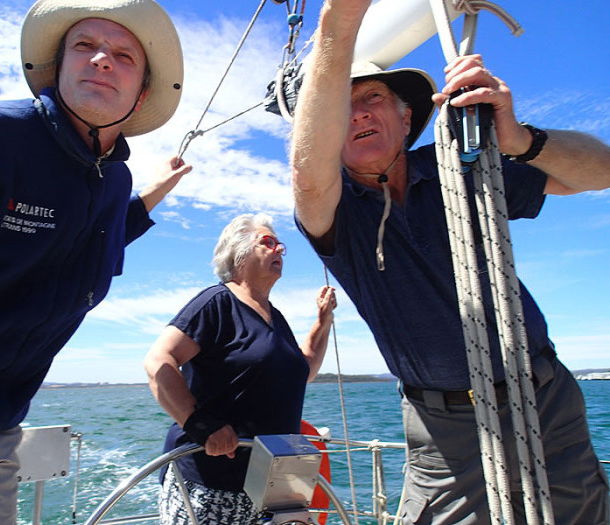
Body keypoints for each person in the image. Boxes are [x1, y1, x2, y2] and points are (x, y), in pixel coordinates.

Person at [290, 0, 610, 523]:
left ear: (406, 115)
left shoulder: (465, 165)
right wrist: (339, 20)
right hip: (444, 435)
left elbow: (600, 171)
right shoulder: (336, 213)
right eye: (342, 108)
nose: (359, 114)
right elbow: (308, 176)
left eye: (372, 98)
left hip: (546, 405)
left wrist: (521, 141)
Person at [0, 0, 190, 522]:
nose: (103, 59)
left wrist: (159, 189)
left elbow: (90, 244)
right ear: (55, 70)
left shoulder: (114, 185)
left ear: (143, 92)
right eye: (85, 46)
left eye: (124, 56)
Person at [144, 213, 337, 525]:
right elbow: (157, 362)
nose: (279, 251)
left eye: (280, 246)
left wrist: (322, 323)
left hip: (272, 488)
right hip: (211, 485)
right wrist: (199, 424)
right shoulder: (216, 303)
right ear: (239, 252)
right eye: (268, 242)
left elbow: (304, 370)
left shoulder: (276, 317)